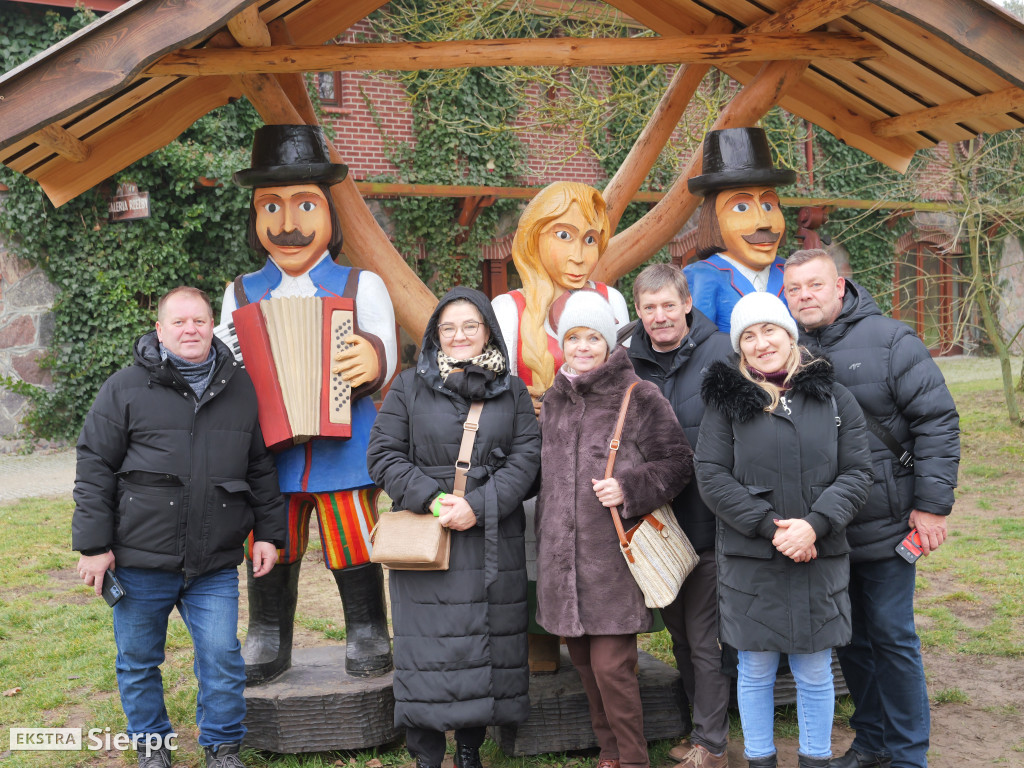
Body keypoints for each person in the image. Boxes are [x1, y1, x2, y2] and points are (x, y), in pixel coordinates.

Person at [72, 286, 287, 768]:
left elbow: (259, 466)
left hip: (214, 560)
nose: (191, 330)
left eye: (200, 321)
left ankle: (223, 749)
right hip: (140, 559)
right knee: (138, 662)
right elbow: (94, 466)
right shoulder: (125, 387)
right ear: (159, 329)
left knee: (222, 658)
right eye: (179, 322)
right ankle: (153, 748)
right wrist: (93, 546)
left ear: (212, 326)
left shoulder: (239, 386)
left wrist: (270, 534)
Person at [219, 124, 397, 682]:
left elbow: (386, 346)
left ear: (329, 214)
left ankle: (367, 627)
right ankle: (268, 632)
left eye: (305, 205)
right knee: (271, 540)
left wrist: (372, 358)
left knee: (351, 536)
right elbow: (227, 360)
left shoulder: (360, 285)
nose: (287, 224)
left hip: (344, 449)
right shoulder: (241, 292)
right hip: (268, 455)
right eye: (271, 207)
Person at [783, 249, 960, 768]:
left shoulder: (891, 340)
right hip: (827, 527)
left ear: (840, 286)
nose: (805, 296)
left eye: (815, 285)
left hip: (887, 522)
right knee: (852, 639)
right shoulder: (786, 348)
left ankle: (907, 755)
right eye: (794, 289)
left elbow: (936, 421)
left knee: (891, 636)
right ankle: (872, 742)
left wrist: (932, 506)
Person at [695, 291, 873, 768]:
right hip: (753, 557)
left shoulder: (835, 398)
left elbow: (858, 472)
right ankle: (761, 760)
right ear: (740, 347)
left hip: (819, 552)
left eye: (769, 330)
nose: (761, 343)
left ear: (790, 334)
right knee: (754, 668)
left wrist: (814, 525)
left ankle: (815, 759)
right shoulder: (725, 404)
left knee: (814, 669)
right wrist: (770, 527)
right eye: (749, 336)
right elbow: (711, 476)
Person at [366, 287, 540, 768]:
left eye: (470, 326)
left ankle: (468, 748)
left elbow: (528, 460)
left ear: (488, 332)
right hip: (428, 538)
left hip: (490, 537)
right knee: (428, 649)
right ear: (435, 335)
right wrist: (434, 498)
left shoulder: (512, 390)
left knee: (484, 643)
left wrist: (477, 506)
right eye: (449, 328)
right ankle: (426, 754)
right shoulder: (408, 386)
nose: (459, 335)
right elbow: (382, 455)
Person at [536, 291, 693, 768]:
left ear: (609, 342)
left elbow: (678, 462)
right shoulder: (554, 399)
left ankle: (635, 758)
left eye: (592, 337)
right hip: (561, 565)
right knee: (585, 666)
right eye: (573, 338)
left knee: (612, 669)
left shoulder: (638, 395)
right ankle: (609, 753)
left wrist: (628, 487)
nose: (582, 347)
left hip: (613, 563)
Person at [626, 264, 733, 768]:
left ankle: (712, 744)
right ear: (638, 311)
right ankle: (701, 731)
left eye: (669, 304)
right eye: (649, 307)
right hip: (656, 528)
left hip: (707, 520)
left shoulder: (722, 353)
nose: (660, 316)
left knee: (703, 636)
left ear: (687, 303)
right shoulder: (628, 364)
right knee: (682, 637)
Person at [492, 180, 630, 410]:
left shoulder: (611, 300)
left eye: (590, 239)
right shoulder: (508, 309)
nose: (578, 256)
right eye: (564, 235)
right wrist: (516, 403)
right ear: (533, 236)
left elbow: (626, 379)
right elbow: (493, 390)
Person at [683, 126, 796, 333]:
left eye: (768, 205)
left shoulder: (792, 272)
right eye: (741, 207)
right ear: (713, 220)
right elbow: (697, 342)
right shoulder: (702, 276)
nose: (763, 222)